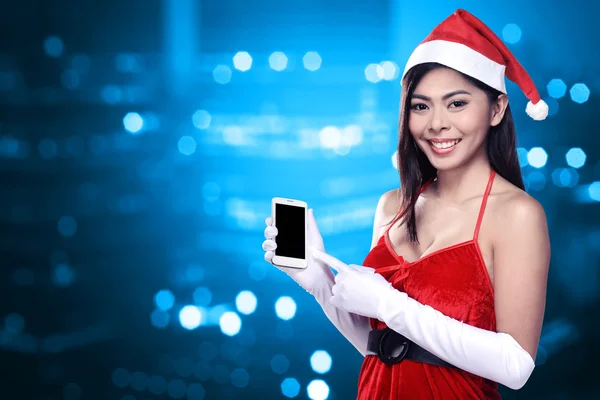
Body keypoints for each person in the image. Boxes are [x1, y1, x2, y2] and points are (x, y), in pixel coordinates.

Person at [263, 9, 551, 399]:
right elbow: (379, 346)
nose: (436, 124)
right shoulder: (391, 207)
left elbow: (515, 366)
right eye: (420, 106)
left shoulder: (517, 214)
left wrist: (388, 302)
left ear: (496, 108)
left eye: (456, 104)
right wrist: (319, 284)